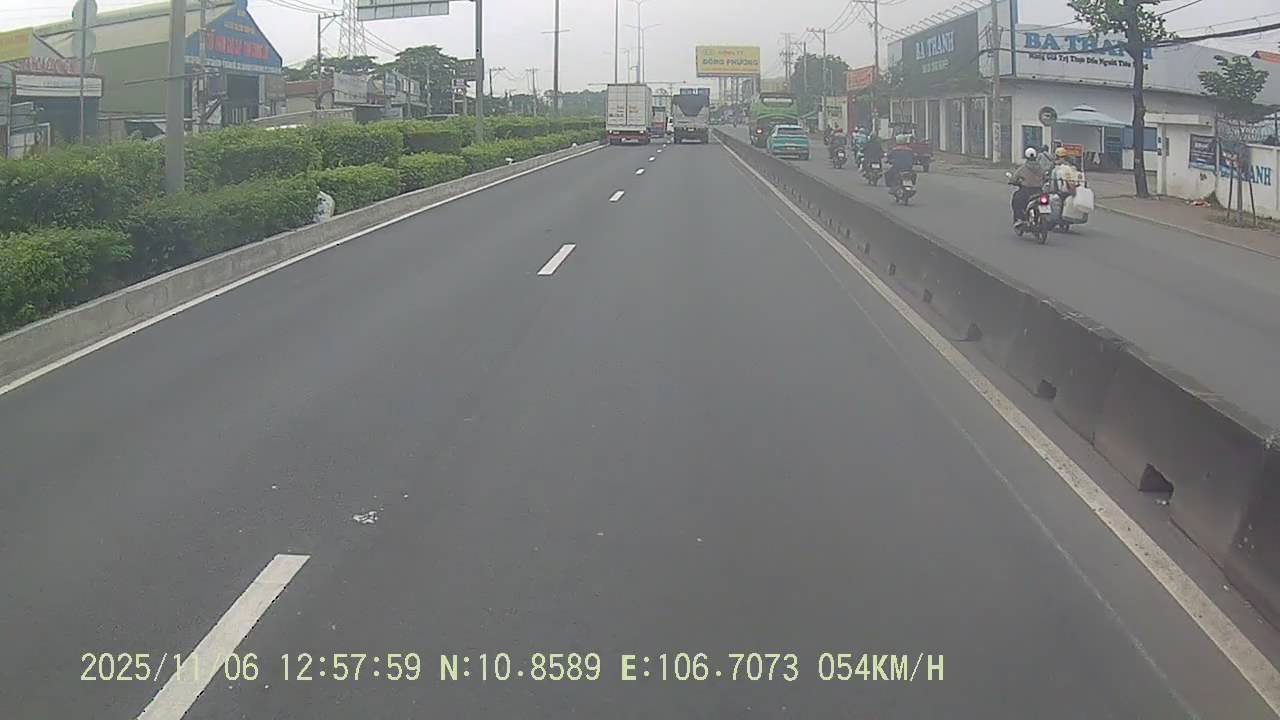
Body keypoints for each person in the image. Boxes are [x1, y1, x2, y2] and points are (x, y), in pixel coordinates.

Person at [1009, 147, 1046, 225]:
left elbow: (1014, 178)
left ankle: (1019, 219)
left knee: (1016, 200)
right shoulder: (1041, 168)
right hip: (1039, 191)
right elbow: (1045, 178)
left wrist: (1013, 181)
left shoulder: (1023, 168)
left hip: (1026, 191)